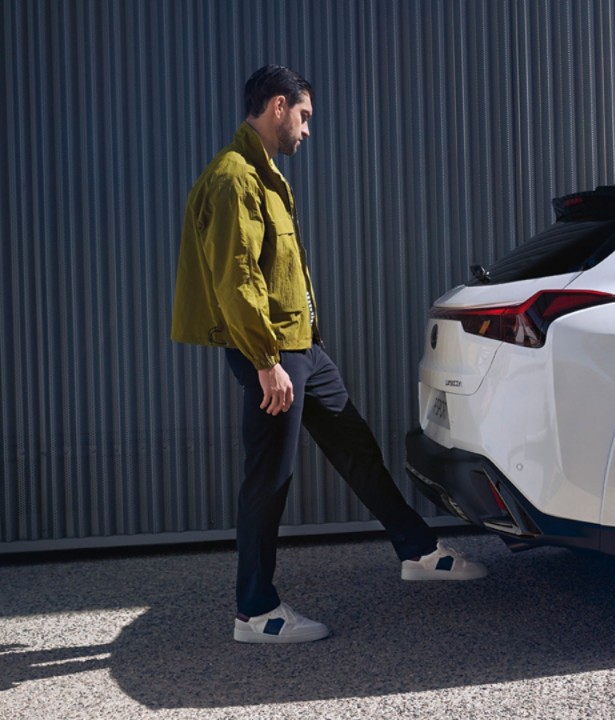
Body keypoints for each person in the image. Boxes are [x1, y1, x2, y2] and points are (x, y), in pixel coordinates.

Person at [171, 64, 486, 644]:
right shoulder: (234, 178)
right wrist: (266, 362)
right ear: (276, 107)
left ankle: (416, 551)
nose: (307, 130)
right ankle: (256, 611)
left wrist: (295, 350)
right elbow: (235, 280)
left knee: (356, 446)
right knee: (270, 477)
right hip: (274, 353)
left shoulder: (264, 176)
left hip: (303, 349)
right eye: (304, 115)